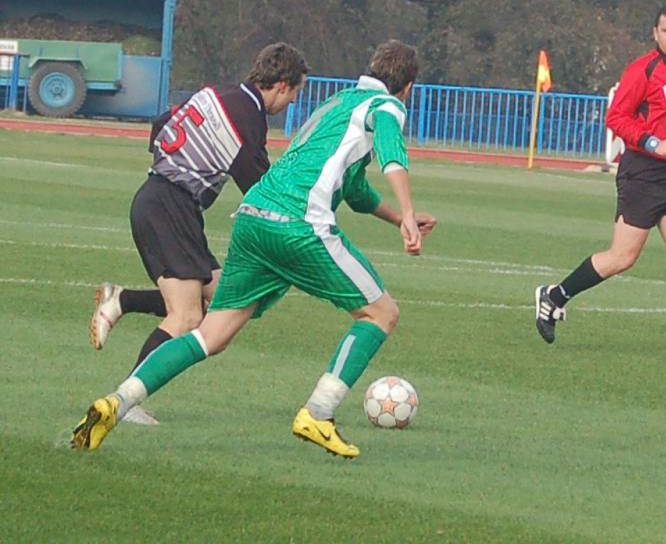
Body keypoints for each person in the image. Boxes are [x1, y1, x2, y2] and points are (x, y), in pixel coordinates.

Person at [71, 39, 438, 457]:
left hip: (252, 218)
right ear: (407, 87)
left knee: (211, 334)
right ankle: (319, 413)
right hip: (298, 223)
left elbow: (353, 189)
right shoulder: (387, 106)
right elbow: (393, 151)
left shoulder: (338, 105)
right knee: (381, 313)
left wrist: (395, 218)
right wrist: (408, 212)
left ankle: (115, 403)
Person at [88, 42, 309, 424]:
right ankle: (126, 400)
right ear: (282, 84)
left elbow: (162, 124)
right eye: (292, 96)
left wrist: (177, 162)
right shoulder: (249, 118)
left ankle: (122, 300)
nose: (288, 105)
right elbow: (261, 189)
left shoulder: (217, 93)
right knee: (188, 317)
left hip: (168, 203)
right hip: (169, 207)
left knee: (227, 300)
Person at [533, 5, 666, 360]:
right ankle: (554, 296)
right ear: (655, 33)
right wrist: (654, 143)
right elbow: (617, 118)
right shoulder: (643, 70)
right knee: (623, 257)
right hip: (642, 173)